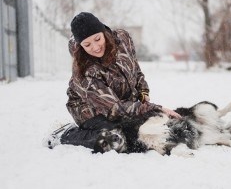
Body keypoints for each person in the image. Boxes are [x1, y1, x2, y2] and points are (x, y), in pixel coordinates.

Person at [43, 12, 180, 152]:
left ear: (103, 31)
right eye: (87, 44)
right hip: (90, 110)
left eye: (97, 39)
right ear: (80, 45)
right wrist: (155, 108)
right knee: (115, 139)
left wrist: (143, 92)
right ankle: (66, 135)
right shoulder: (85, 71)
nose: (95, 47)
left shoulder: (123, 39)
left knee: (143, 128)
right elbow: (114, 108)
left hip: (122, 101)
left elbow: (134, 67)